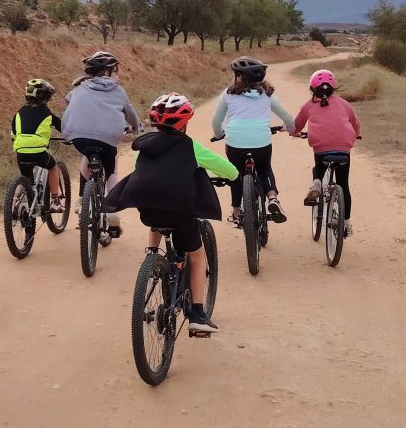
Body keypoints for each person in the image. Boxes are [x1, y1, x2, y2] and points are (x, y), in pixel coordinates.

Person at [104, 93, 238, 333]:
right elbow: (227, 169)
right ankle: (197, 314)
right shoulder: (191, 147)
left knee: (157, 204)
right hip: (180, 213)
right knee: (196, 257)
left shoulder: (144, 146)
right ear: (184, 123)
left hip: (149, 211)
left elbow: (149, 179)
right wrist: (234, 176)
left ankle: (153, 253)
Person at [62, 51, 140, 237]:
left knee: (87, 156)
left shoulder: (79, 88)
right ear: (107, 72)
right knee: (111, 171)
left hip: (79, 138)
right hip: (107, 139)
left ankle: (82, 199)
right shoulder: (118, 91)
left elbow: (68, 101)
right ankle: (111, 211)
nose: (118, 74)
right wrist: (137, 127)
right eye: (116, 71)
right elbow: (130, 114)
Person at [212, 56, 295, 227]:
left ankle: (236, 213)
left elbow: (216, 121)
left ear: (239, 76)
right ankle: (272, 198)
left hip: (235, 141)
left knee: (235, 174)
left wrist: (219, 133)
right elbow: (287, 117)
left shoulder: (228, 94)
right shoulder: (267, 94)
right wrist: (289, 128)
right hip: (261, 140)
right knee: (264, 169)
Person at [291, 69, 361, 237]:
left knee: (319, 166)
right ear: (333, 88)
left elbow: (296, 126)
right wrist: (357, 134)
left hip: (322, 148)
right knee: (344, 185)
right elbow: (355, 123)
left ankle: (316, 183)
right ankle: (346, 224)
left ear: (312, 88)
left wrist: (294, 132)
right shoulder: (345, 104)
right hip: (344, 148)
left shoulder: (309, 105)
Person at [11, 78, 64, 213]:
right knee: (53, 167)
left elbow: (14, 135)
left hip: (21, 151)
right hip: (39, 151)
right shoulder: (47, 113)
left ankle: (15, 201)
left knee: (26, 179)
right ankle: (55, 201)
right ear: (45, 97)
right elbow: (63, 127)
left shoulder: (19, 113)